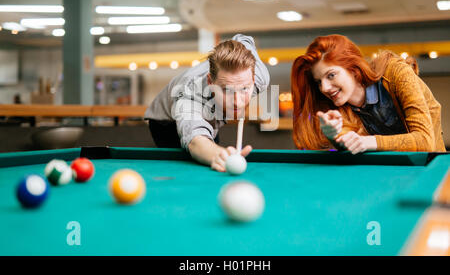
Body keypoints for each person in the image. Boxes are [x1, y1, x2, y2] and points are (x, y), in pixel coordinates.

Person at [291, 34, 445, 153]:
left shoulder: (396, 72)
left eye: (331, 75)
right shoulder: (339, 108)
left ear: (353, 69)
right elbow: (352, 144)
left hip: (431, 173)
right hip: (385, 176)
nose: (324, 88)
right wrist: (333, 135)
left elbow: (425, 141)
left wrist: (368, 142)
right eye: (319, 81)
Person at [145, 34, 270, 171]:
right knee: (189, 166)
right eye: (226, 90)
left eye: (244, 88)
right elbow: (195, 140)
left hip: (212, 110)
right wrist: (217, 155)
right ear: (210, 82)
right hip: (166, 124)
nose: (237, 102)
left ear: (253, 78)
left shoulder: (260, 77)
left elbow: (243, 39)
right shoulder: (189, 92)